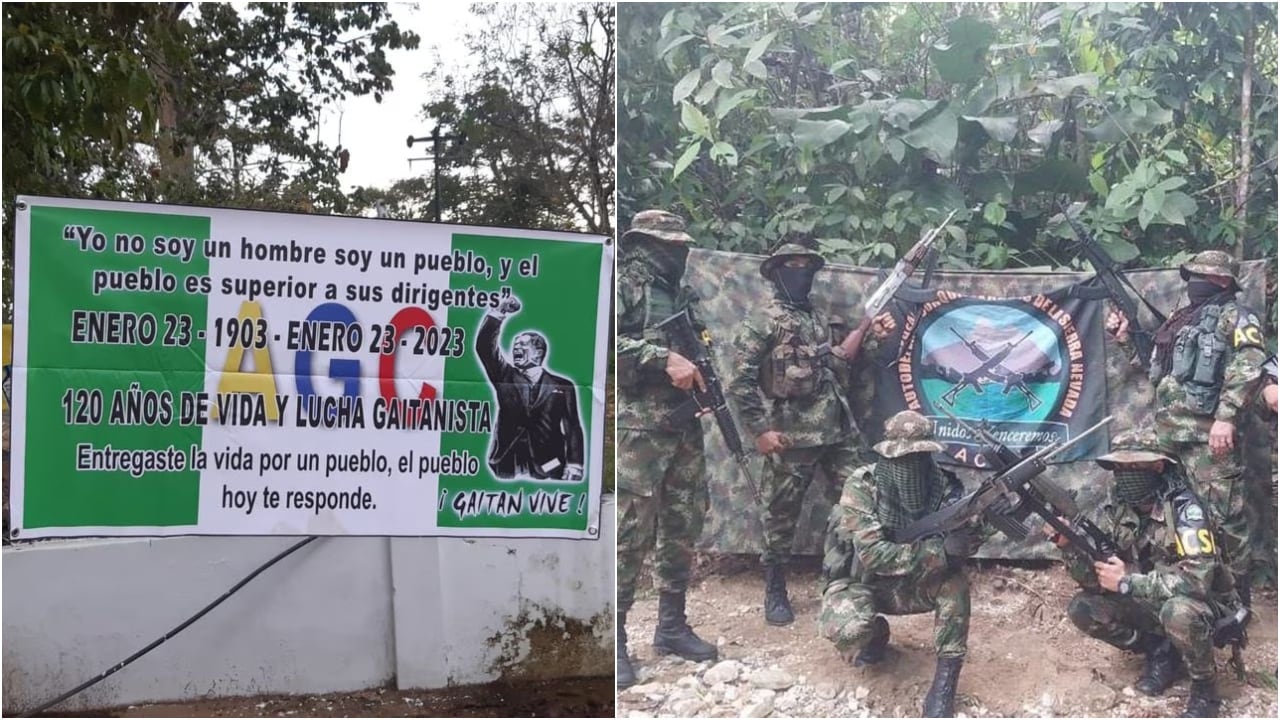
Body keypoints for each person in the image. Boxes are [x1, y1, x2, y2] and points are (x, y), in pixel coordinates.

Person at [727, 243, 886, 626]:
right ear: (777, 272)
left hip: (837, 430)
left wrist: (874, 335)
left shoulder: (818, 318)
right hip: (791, 435)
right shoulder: (762, 321)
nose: (802, 274)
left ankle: (850, 581)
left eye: (807, 268)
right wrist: (761, 430)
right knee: (780, 515)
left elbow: (842, 362)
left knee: (860, 504)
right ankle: (775, 587)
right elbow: (739, 381)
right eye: (793, 267)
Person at [1108, 250, 1266, 608]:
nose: (1194, 282)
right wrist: (1124, 338)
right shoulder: (1184, 321)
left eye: (1203, 275)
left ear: (1224, 281)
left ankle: (1237, 602)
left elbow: (1250, 364)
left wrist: (1226, 417)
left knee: (1225, 521)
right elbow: (1157, 370)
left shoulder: (1236, 316)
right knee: (1138, 478)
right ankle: (1160, 582)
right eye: (1192, 274)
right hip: (1168, 434)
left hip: (1208, 438)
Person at [1047, 427, 1236, 717]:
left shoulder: (1186, 509)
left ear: (1157, 466)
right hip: (1148, 596)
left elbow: (1196, 582)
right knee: (1084, 607)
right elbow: (1096, 579)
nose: (1126, 473)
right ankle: (1161, 653)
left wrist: (1127, 583)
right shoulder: (1122, 508)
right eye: (1120, 467)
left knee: (1178, 612)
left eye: (1135, 465)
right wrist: (1069, 545)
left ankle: (1205, 689)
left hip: (1203, 604)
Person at [817, 411, 980, 718]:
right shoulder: (863, 486)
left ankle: (945, 679)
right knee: (850, 631)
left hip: (911, 585)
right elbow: (873, 555)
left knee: (954, 584)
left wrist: (978, 529)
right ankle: (875, 633)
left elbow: (964, 538)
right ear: (888, 454)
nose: (912, 467)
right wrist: (937, 552)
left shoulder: (944, 487)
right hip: (861, 583)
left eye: (920, 458)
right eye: (904, 459)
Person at [615, 209, 717, 688]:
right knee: (631, 530)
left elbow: (697, 346)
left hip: (683, 426)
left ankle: (671, 627)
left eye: (681, 244)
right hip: (640, 431)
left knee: (683, 521)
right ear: (644, 244)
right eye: (667, 244)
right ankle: (613, 639)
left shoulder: (679, 293)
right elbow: (599, 344)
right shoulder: (623, 285)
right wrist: (661, 358)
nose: (677, 252)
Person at [476, 296, 584, 481]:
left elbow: (572, 426)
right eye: (515, 345)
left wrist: (575, 464)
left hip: (549, 464)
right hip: (506, 461)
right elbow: (485, 347)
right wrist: (500, 312)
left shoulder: (563, 386)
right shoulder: (505, 375)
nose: (516, 347)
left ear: (538, 352)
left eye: (523, 345)